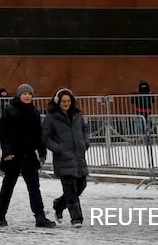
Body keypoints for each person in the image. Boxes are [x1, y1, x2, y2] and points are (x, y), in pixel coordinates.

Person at [0, 83, 55, 228]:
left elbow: (38, 134)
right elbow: (5, 134)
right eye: (25, 93)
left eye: (30, 94)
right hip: (14, 155)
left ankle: (39, 216)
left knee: (34, 186)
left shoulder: (34, 112)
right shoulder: (9, 112)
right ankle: (0, 215)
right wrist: (7, 152)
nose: (28, 96)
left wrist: (41, 151)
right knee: (8, 186)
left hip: (29, 154)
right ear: (19, 95)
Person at [43, 88, 89, 227]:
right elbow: (45, 137)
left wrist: (85, 142)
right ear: (58, 101)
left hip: (78, 156)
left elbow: (84, 129)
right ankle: (77, 218)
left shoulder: (77, 114)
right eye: (63, 101)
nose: (66, 104)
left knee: (81, 185)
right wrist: (58, 148)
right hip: (63, 157)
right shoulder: (52, 117)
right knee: (70, 189)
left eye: (68, 101)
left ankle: (59, 204)